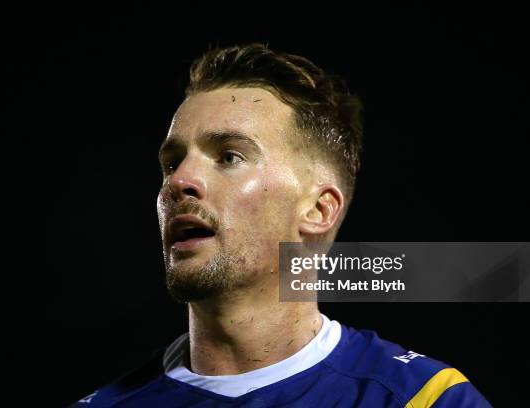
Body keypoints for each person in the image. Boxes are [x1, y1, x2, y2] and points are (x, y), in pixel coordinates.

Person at [71, 43, 491, 407]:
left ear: (318, 210)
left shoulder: (424, 399)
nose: (179, 181)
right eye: (171, 162)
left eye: (229, 156)